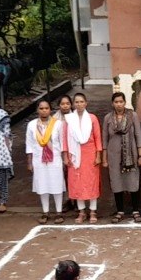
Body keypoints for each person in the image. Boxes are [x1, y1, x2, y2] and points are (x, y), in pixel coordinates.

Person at [103, 90, 141, 221]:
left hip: (131, 156)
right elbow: (104, 139)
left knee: (133, 181)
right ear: (112, 103)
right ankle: (120, 211)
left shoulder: (133, 116)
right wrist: (104, 158)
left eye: (121, 101)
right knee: (116, 182)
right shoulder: (108, 118)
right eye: (116, 102)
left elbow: (138, 136)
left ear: (125, 102)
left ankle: (136, 210)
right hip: (114, 155)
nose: (119, 104)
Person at [62, 91, 104, 222]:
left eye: (81, 102)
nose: (79, 104)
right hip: (74, 155)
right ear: (73, 104)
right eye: (77, 102)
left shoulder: (92, 118)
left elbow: (98, 137)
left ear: (86, 103)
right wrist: (65, 156)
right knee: (77, 183)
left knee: (91, 182)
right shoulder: (69, 120)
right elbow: (64, 139)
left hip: (90, 154)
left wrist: (98, 155)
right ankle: (81, 211)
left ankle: (92, 211)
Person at [27, 100, 67, 221]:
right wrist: (29, 162)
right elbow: (29, 144)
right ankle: (45, 212)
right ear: (37, 110)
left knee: (56, 184)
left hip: (55, 159)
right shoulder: (32, 125)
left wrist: (65, 158)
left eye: (46, 108)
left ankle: (59, 212)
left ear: (50, 110)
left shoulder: (58, 124)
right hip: (38, 159)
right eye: (41, 108)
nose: (44, 110)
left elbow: (62, 143)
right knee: (42, 185)